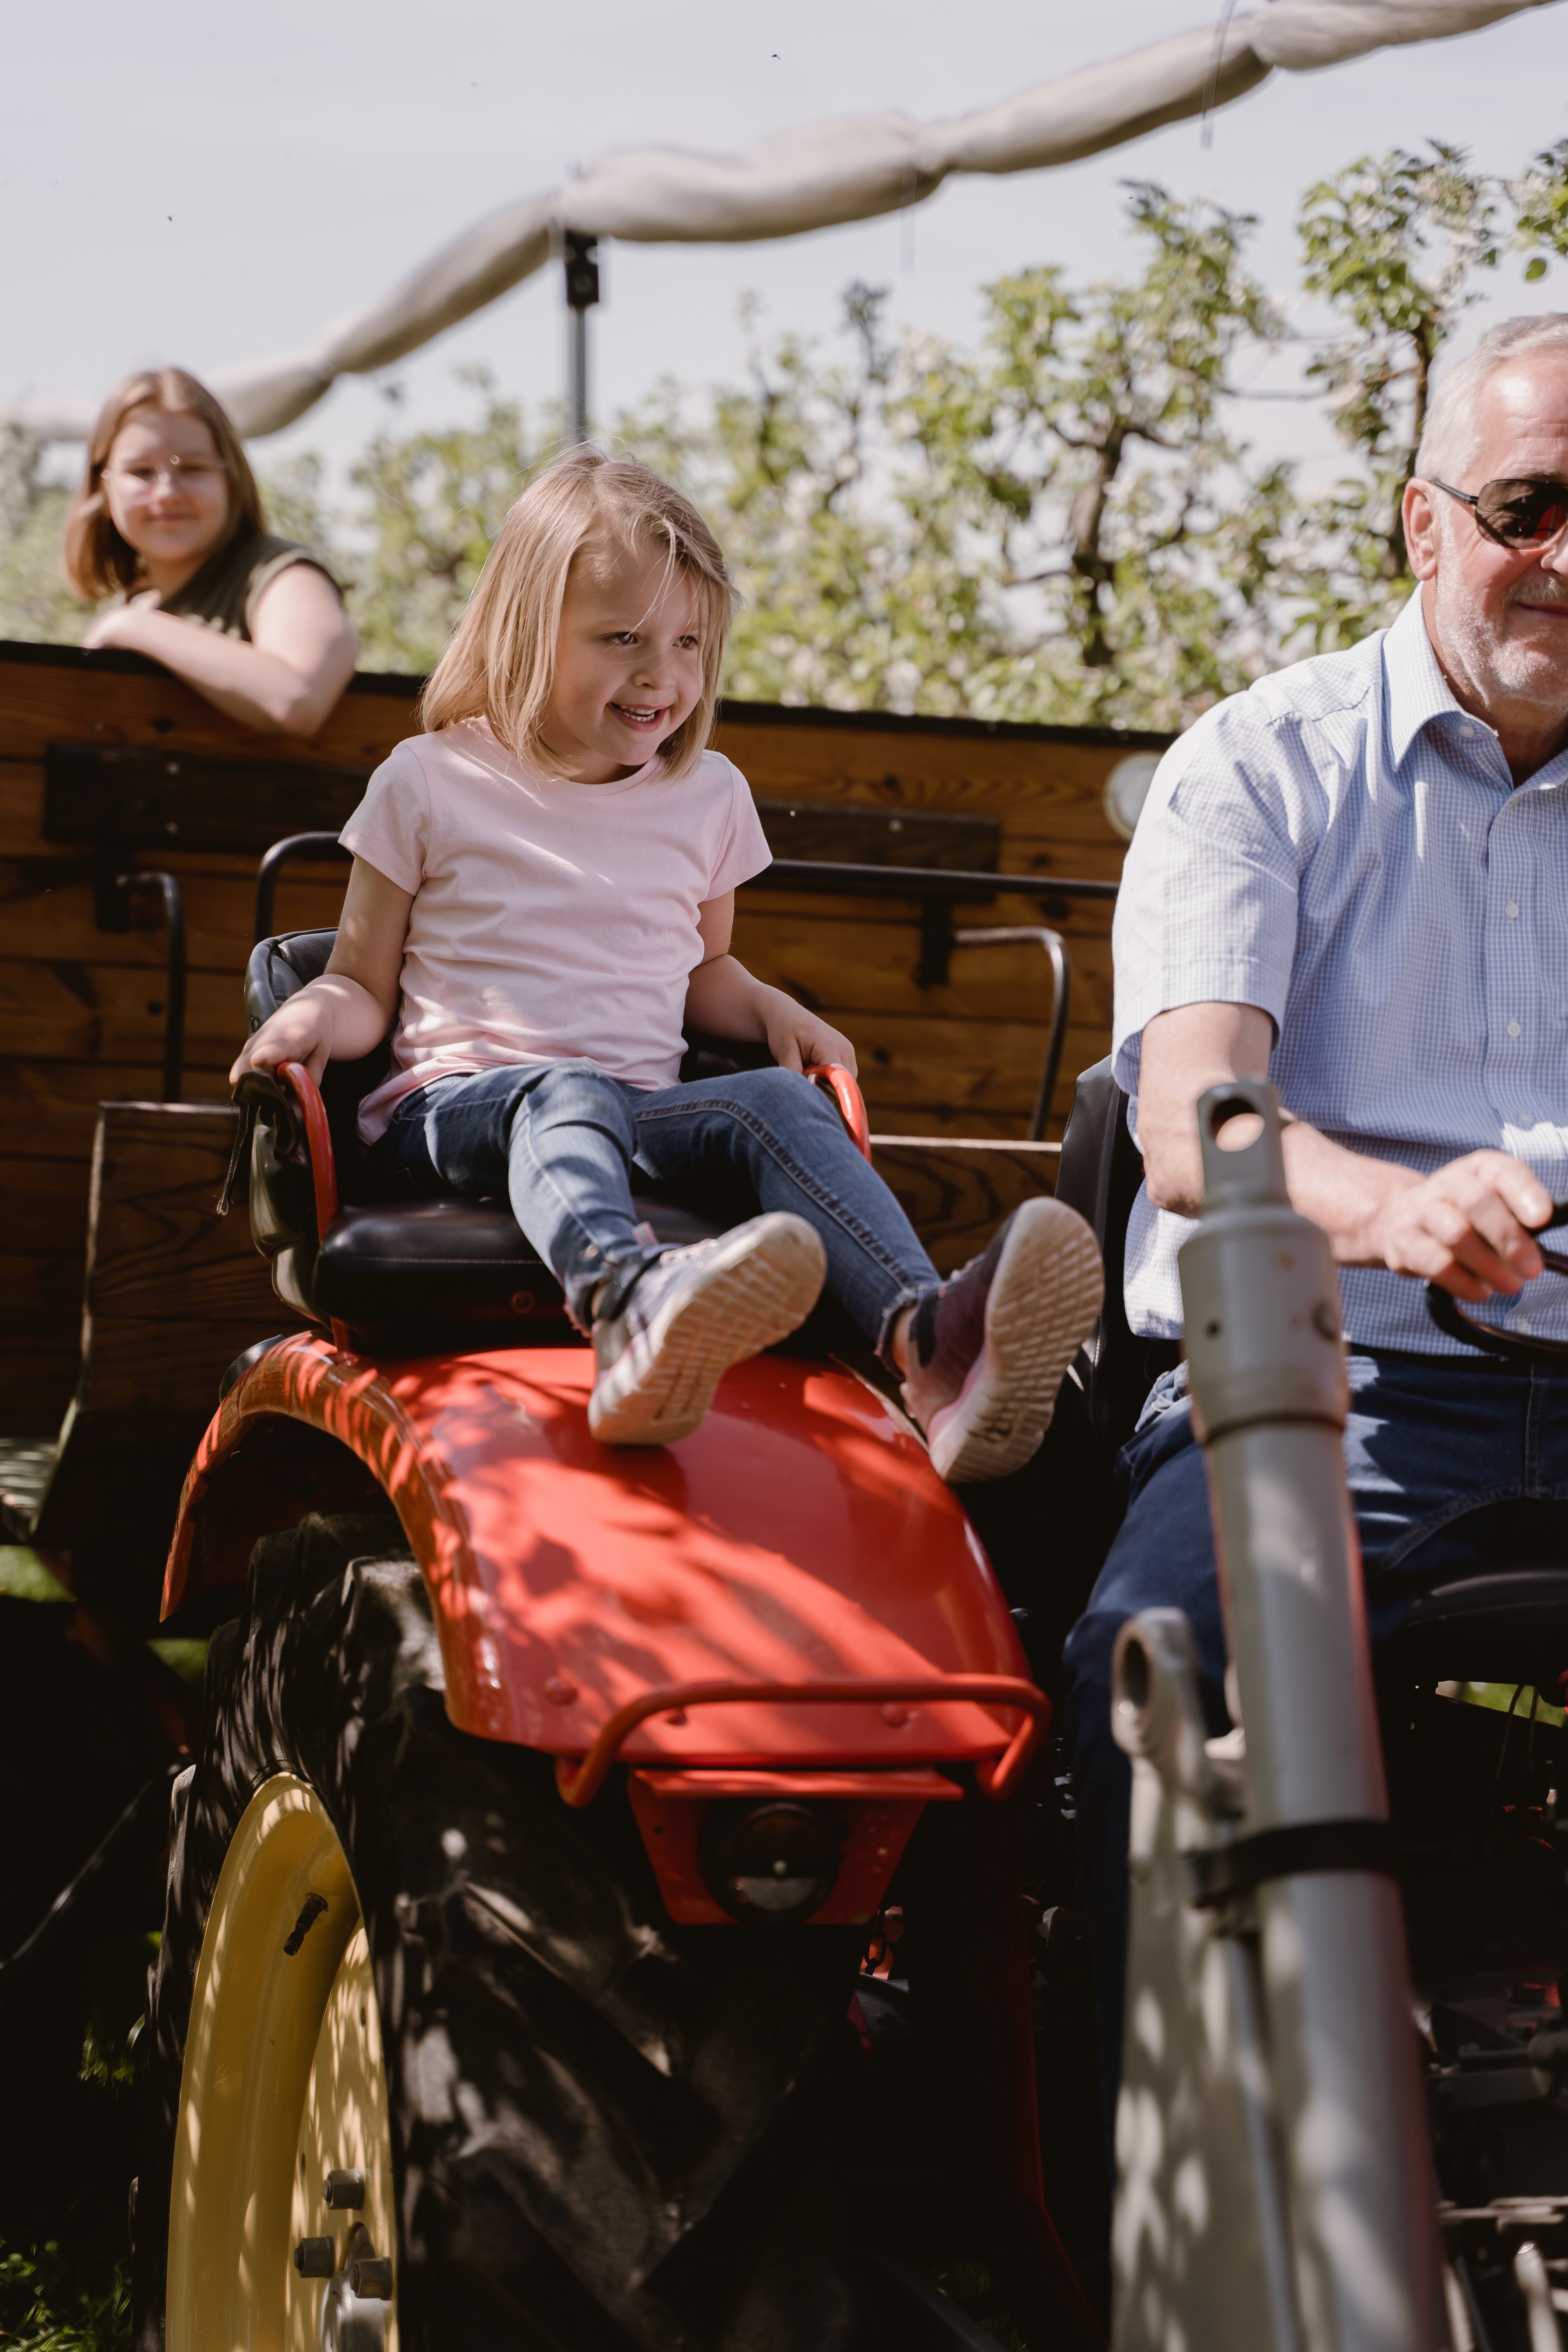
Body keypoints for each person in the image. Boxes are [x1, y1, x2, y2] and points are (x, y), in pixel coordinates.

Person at [1062, 313, 1568, 2118]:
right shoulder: (1254, 767)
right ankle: (1149, 2192)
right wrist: (1396, 1207)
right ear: (1418, 523)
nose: (1564, 555)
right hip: (1324, 1381)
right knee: (1168, 1669)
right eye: (1528, 503)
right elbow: (1199, 1120)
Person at [231, 446, 1103, 1460]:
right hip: (458, 1106)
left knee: (777, 1100)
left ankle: (928, 1346)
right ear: (526, 631)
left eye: (691, 642)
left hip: (639, 1102)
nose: (663, 675)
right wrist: (310, 1018)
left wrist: (774, 1008)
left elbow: (702, 973)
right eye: (623, 638)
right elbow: (362, 983)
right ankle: (628, 1303)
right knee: (560, 1089)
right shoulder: (427, 782)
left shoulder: (707, 796)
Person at [64, 367, 358, 736]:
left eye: (193, 468)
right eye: (141, 472)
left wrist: (131, 625)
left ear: (230, 479)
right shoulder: (136, 604)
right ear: (102, 487)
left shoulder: (284, 577)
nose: (168, 492)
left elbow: (297, 701)